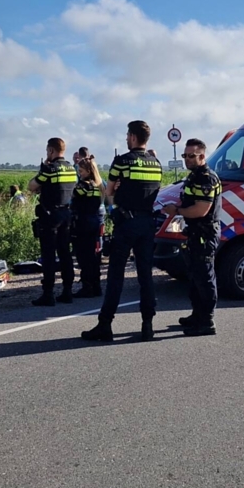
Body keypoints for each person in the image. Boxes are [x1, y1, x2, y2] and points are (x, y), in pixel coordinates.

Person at [82, 121, 162, 342]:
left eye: (128, 135)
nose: (127, 138)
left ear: (134, 137)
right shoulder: (156, 164)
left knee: (116, 275)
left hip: (126, 224)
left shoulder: (122, 161)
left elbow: (108, 193)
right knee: (145, 275)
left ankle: (105, 324)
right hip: (147, 224)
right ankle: (147, 325)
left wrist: (118, 190)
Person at [161, 139, 222, 336]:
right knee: (195, 277)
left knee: (204, 278)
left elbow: (201, 210)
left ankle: (207, 321)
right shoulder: (194, 177)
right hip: (194, 233)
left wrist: (176, 210)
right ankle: (197, 315)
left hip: (205, 234)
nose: (187, 159)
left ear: (202, 156)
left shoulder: (206, 178)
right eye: (185, 156)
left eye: (191, 156)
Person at [28, 138, 76, 306]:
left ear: (51, 150)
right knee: (65, 253)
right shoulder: (71, 168)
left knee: (48, 255)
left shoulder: (49, 169)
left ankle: (48, 294)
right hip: (66, 214)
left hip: (50, 215)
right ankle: (67, 291)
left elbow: (32, 186)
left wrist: (43, 171)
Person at [71, 157, 104, 298]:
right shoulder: (99, 185)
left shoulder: (83, 186)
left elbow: (71, 196)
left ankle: (87, 286)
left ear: (89, 171)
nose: (79, 173)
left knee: (83, 256)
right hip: (95, 222)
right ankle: (96, 285)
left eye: (81, 171)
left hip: (83, 223)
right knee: (94, 256)